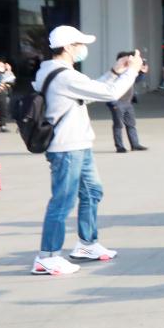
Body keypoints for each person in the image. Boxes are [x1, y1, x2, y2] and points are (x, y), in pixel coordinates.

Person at [31, 26, 144, 276]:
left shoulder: (59, 73)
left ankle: (87, 243)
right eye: (81, 44)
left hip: (77, 143)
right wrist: (133, 71)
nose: (84, 49)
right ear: (69, 47)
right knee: (63, 200)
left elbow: (91, 92)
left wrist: (116, 71)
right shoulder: (64, 76)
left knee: (92, 191)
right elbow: (109, 93)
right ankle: (47, 256)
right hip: (67, 146)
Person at [106, 53, 148, 153]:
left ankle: (135, 144)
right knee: (118, 125)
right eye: (129, 59)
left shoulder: (129, 72)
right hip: (117, 102)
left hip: (128, 102)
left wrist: (142, 72)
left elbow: (136, 80)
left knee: (131, 124)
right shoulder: (116, 72)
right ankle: (119, 146)